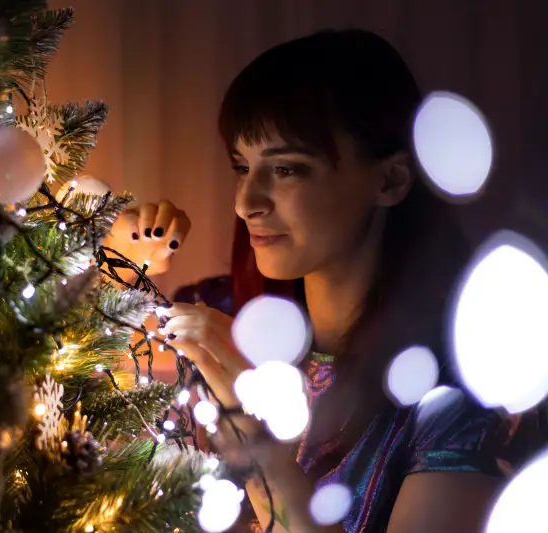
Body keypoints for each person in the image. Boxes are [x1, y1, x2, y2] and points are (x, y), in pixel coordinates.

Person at [106, 29, 544, 532]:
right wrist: (115, 256)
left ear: (390, 180)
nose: (246, 202)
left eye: (287, 168)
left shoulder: (456, 397)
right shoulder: (223, 314)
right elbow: (54, 372)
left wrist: (259, 447)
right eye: (241, 167)